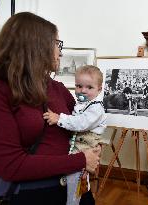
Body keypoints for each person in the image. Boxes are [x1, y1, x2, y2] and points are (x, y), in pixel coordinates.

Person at [0, 12, 100, 205]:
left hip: (76, 188)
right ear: (36, 45)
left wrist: (93, 144)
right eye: (57, 43)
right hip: (32, 194)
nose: (60, 52)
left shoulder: (57, 88)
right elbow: (10, 165)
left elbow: (79, 123)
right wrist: (81, 160)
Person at [43, 65, 107, 205]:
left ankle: (73, 201)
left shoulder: (96, 107)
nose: (83, 90)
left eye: (89, 87)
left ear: (99, 89)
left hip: (85, 143)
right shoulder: (82, 104)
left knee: (77, 175)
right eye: (79, 86)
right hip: (77, 142)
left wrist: (59, 118)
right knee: (78, 174)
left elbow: (81, 123)